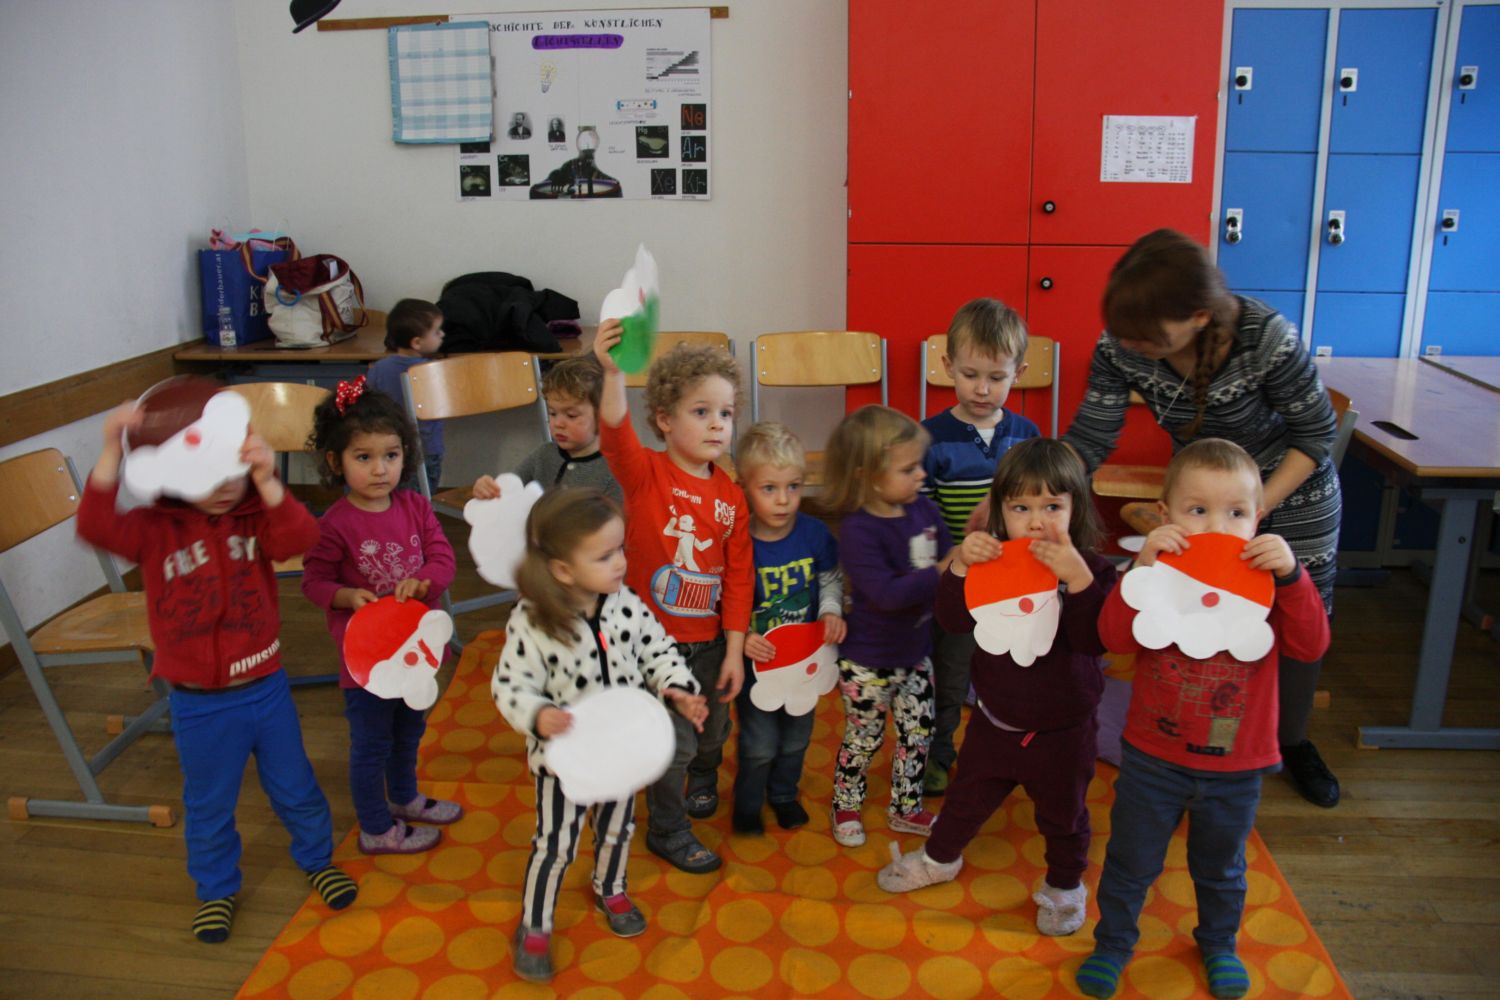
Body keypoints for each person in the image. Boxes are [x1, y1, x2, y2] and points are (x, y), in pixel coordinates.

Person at [1063, 228, 1343, 808]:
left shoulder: (1265, 338)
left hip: (1290, 493)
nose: (1131, 344)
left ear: (1197, 317)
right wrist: (1037, 485)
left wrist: (1251, 513)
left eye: (1148, 336)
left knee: (1291, 620)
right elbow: (1090, 436)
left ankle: (1292, 742)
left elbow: (1316, 434)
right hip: (1203, 502)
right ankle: (1194, 737)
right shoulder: (1123, 344)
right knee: (1195, 617)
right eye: (1124, 332)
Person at [76, 399, 356, 944]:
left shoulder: (254, 516)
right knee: (209, 803)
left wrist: (267, 479)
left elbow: (301, 539)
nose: (226, 487)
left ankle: (318, 859)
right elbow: (94, 523)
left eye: (233, 472)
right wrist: (111, 448)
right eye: (209, 475)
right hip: (199, 703)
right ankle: (216, 890)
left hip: (266, 689)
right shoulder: (153, 528)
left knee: (295, 786)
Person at [1074, 439, 1331, 1000]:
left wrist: (1293, 578)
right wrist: (1141, 567)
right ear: (1165, 515)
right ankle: (1112, 944)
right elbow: (1112, 637)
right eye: (1198, 510)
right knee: (1130, 861)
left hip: (1237, 767)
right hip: (1153, 759)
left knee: (1221, 867)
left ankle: (1218, 944)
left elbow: (1311, 646)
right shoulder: (1159, 574)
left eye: (1236, 512)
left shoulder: (1269, 582)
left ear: (1257, 518)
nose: (1217, 525)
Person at [878, 438, 1117, 934]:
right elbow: (952, 620)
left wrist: (1075, 578)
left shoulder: (1093, 570)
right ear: (1000, 511)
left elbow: (1093, 640)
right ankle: (940, 859)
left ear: (1075, 508)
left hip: (1064, 732)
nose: (1036, 521)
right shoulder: (992, 563)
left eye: (1052, 506)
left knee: (1065, 818)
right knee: (965, 799)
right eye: (1020, 507)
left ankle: (1065, 885)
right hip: (995, 722)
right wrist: (961, 566)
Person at [492, 487, 708, 983]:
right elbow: (509, 685)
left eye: (620, 549)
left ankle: (611, 887)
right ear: (563, 570)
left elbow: (658, 649)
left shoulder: (624, 603)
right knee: (555, 845)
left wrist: (677, 687)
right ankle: (535, 925)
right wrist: (538, 714)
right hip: (564, 762)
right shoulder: (533, 622)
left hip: (621, 751)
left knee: (617, 830)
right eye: (605, 556)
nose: (620, 563)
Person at [592, 320, 752, 874]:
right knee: (673, 744)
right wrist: (613, 373)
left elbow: (739, 578)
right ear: (664, 419)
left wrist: (735, 650)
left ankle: (703, 775)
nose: (717, 424)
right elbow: (614, 430)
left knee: (713, 734)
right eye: (701, 411)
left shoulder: (731, 496)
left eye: (725, 413)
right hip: (654, 647)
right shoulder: (645, 475)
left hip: (712, 644)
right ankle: (667, 828)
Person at [301, 380, 460, 855]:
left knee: (410, 730)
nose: (380, 469)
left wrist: (426, 581)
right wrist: (345, 595)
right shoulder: (334, 524)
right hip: (368, 662)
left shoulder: (415, 505)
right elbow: (313, 582)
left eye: (391, 455)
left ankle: (405, 797)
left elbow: (443, 558)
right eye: (364, 457)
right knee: (372, 743)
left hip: (417, 651)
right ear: (336, 462)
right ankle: (375, 826)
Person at [921, 297, 1041, 796]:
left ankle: (1005, 758)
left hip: (1014, 588)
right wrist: (947, 564)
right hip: (958, 585)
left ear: (1020, 374)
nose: (982, 389)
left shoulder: (1027, 437)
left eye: (997, 377)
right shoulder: (930, 438)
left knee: (1010, 678)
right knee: (950, 678)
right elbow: (923, 519)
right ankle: (937, 755)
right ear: (947, 366)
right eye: (970, 375)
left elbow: (1042, 507)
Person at [823, 405, 954, 847]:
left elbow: (947, 554)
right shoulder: (859, 531)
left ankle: (906, 807)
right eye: (909, 468)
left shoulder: (924, 510)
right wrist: (941, 571)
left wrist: (960, 558)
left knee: (918, 735)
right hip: (868, 663)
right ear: (869, 476)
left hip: (916, 654)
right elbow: (887, 594)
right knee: (864, 738)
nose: (921, 475)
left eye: (919, 464)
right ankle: (846, 802)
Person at [732, 422, 846, 834]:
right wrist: (743, 637)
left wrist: (831, 610)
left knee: (797, 739)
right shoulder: (737, 541)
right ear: (745, 487)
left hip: (805, 663)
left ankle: (783, 795)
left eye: (793, 487)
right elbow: (725, 596)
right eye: (769, 488)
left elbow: (830, 578)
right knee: (758, 744)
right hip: (757, 666)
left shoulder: (814, 533)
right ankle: (748, 804)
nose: (783, 500)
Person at [471, 354, 622, 504]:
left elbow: (617, 518)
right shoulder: (543, 455)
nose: (558, 423)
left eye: (571, 416)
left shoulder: (614, 471)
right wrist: (488, 488)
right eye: (553, 413)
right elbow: (507, 490)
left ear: (602, 417)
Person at [366, 298, 446, 489]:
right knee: (421, 498)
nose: (442, 334)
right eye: (436, 331)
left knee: (394, 496)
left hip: (389, 450)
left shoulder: (379, 368)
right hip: (427, 449)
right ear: (417, 342)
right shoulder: (432, 371)